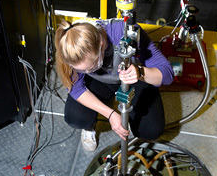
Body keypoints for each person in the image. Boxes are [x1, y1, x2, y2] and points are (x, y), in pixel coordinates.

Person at [55, 19, 174, 151]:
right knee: (76, 118)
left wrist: (140, 72)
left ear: (101, 45)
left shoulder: (125, 33)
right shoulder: (70, 43)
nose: (86, 72)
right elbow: (76, 89)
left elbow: (168, 74)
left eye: (92, 67)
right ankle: (90, 124)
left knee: (150, 131)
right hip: (100, 82)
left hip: (134, 78)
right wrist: (110, 114)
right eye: (82, 70)